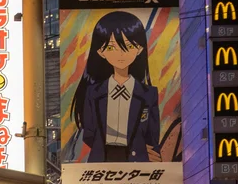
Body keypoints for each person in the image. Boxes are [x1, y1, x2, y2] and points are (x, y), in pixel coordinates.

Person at [69, 11, 167, 164]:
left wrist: (142, 150)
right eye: (112, 47)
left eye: (128, 46)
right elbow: (89, 133)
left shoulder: (148, 94)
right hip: (102, 161)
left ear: (139, 49)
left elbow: (152, 135)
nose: (121, 54)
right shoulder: (93, 92)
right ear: (101, 51)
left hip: (137, 162)